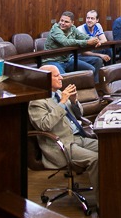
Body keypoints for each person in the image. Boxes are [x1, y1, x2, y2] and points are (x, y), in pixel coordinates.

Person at [29, 66, 99, 200]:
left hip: (78, 137)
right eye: (56, 76)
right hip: (60, 144)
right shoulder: (37, 102)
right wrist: (62, 103)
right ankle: (103, 205)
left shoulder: (60, 93)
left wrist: (74, 101)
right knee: (95, 159)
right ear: (45, 79)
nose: (61, 78)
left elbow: (79, 115)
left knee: (109, 148)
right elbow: (45, 125)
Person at [44, 12, 105, 82]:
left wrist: (94, 40)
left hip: (66, 60)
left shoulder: (73, 28)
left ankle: (93, 89)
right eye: (61, 20)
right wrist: (87, 42)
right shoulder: (55, 29)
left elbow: (83, 36)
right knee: (63, 79)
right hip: (52, 60)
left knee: (91, 69)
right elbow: (65, 42)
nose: (62, 23)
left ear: (72, 23)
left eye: (66, 22)